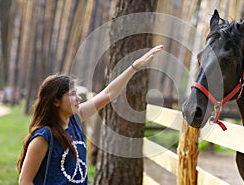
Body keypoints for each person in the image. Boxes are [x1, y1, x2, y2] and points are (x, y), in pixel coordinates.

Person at [17, 45, 163, 185]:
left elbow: (108, 93)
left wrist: (134, 66)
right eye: (72, 94)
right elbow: (25, 181)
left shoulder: (75, 120)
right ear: (56, 101)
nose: (79, 98)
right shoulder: (43, 137)